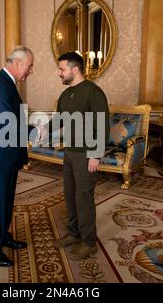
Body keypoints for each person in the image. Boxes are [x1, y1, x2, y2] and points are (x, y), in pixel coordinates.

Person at [42, 52, 110, 261]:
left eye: (62, 69)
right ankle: (74, 234)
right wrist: (45, 128)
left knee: (83, 198)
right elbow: (60, 118)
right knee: (70, 195)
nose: (59, 73)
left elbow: (102, 124)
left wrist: (95, 155)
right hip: (70, 153)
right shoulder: (66, 94)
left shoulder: (93, 92)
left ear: (75, 69)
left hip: (86, 154)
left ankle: (89, 242)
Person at [0, 46, 36, 267]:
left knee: (7, 200)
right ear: (19, 63)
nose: (30, 71)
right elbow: (7, 121)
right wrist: (33, 131)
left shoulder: (7, 83)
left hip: (7, 155)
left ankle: (1, 237)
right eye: (29, 66)